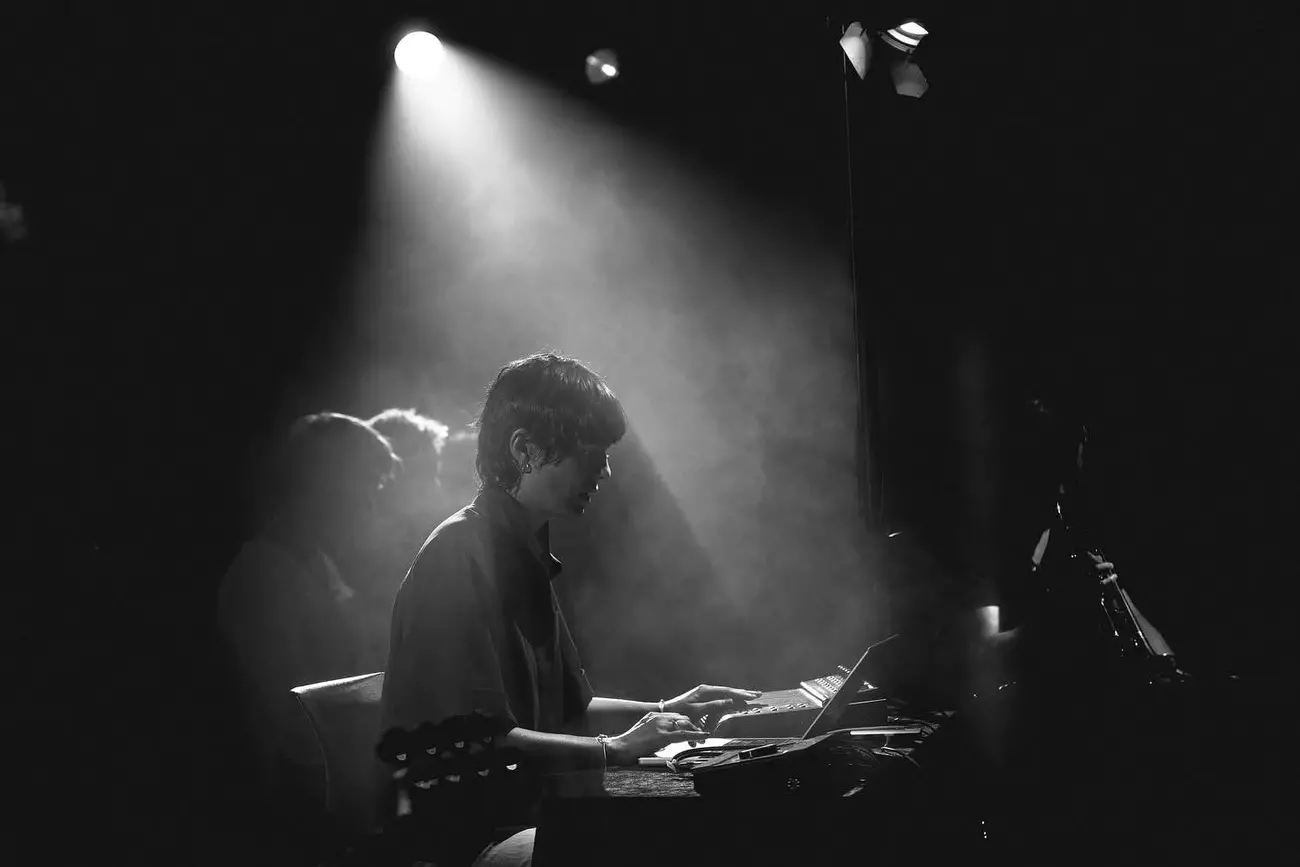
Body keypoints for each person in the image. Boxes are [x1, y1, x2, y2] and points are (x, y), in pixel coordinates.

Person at [380, 352, 762, 867]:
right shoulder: (456, 557)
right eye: (590, 453)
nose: (604, 472)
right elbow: (482, 742)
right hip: (463, 841)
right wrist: (614, 750)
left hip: (522, 815)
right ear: (525, 450)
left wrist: (668, 710)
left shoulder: (523, 550)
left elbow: (570, 711)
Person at [214, 412, 399, 863]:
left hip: (334, 796)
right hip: (297, 809)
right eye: (367, 491)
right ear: (325, 482)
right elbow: (293, 724)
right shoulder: (262, 576)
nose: (372, 510)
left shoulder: (319, 564)